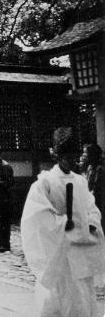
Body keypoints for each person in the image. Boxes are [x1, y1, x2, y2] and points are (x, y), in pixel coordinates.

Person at [21, 127, 105, 317]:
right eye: (64, 155)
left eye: (73, 155)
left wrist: (90, 223)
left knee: (83, 296)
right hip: (59, 249)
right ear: (56, 155)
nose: (70, 159)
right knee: (61, 296)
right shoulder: (45, 183)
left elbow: (91, 207)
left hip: (81, 246)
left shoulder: (80, 181)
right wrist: (62, 224)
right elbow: (36, 215)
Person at [83, 143, 105, 233]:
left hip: (99, 201)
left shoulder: (100, 169)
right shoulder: (89, 167)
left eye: (86, 153)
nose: (84, 156)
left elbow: (96, 188)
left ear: (92, 155)